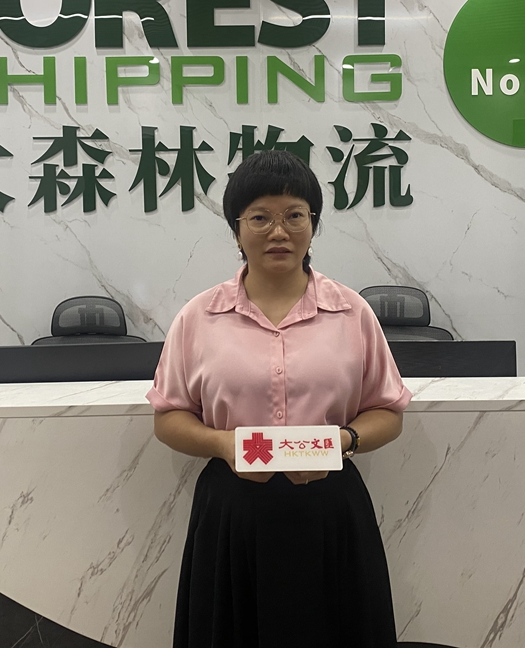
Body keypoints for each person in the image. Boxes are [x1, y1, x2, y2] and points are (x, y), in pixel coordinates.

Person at [146, 150, 412, 648]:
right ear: (236, 229)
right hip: (233, 512)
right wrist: (224, 445)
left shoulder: (351, 312)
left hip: (329, 510)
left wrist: (341, 441)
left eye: (294, 215)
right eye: (260, 217)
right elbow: (169, 416)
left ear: (313, 224)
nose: (278, 231)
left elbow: (387, 410)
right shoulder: (199, 317)